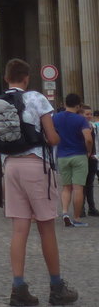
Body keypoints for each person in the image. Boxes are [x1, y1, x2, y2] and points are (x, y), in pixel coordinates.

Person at [0, 58, 76, 307]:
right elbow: (51, 136)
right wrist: (54, 138)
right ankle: (57, 287)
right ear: (27, 78)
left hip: (10, 167)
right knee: (46, 226)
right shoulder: (36, 98)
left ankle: (19, 289)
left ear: (6, 78)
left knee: (19, 229)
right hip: (35, 165)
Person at [55, 93, 94, 228]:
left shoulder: (56, 117)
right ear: (78, 105)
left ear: (66, 103)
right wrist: (88, 150)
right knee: (78, 188)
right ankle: (76, 217)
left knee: (66, 187)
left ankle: (65, 212)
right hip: (78, 154)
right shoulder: (80, 120)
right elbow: (88, 138)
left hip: (62, 155)